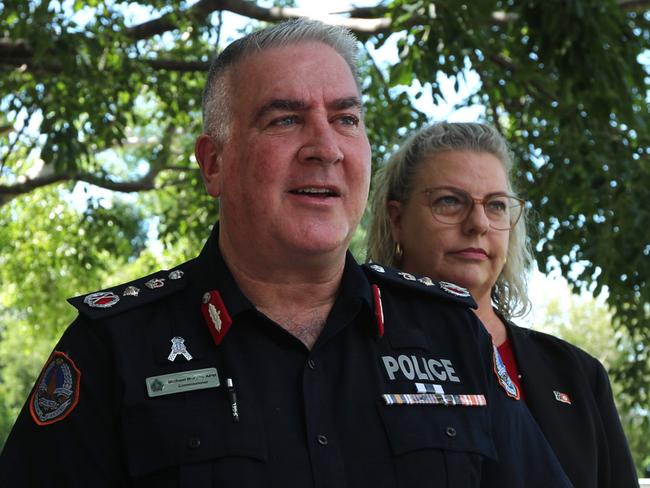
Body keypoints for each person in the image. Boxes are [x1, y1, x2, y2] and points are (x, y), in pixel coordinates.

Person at [0, 21, 572, 487]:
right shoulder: (114, 347)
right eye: (286, 119)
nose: (325, 147)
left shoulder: (452, 335)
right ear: (213, 163)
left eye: (346, 119)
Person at [367, 121, 639, 488]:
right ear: (397, 220)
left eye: (496, 205)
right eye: (449, 201)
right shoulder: (354, 352)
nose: (478, 223)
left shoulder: (578, 374)